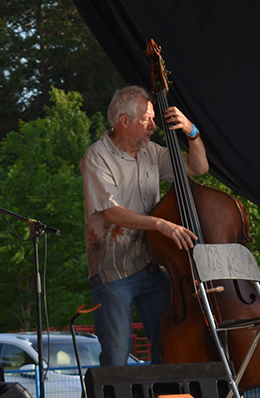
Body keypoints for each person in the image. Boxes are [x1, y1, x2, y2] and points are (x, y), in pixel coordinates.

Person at [80, 85, 207, 367]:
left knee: (167, 344)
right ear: (123, 121)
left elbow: (198, 169)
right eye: (146, 119)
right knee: (116, 355)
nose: (153, 125)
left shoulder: (153, 152)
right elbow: (111, 212)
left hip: (153, 264)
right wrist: (160, 224)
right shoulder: (96, 156)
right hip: (114, 270)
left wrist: (191, 131)